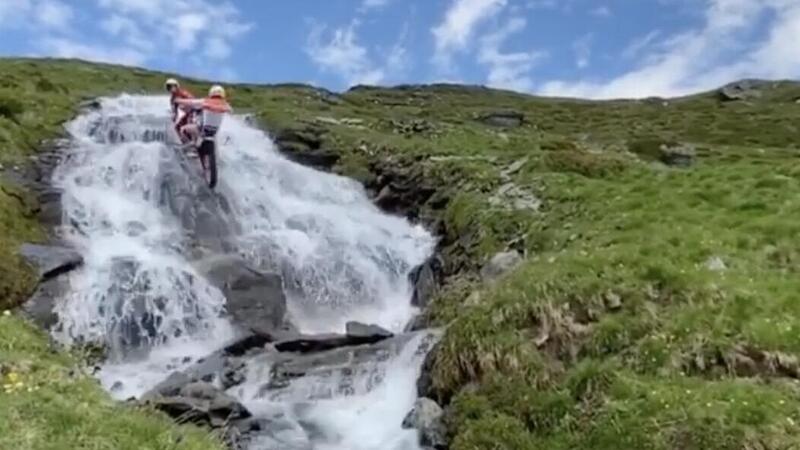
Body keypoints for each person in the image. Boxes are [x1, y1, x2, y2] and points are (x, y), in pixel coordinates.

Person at [164, 78, 195, 143]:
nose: (170, 89)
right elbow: (174, 109)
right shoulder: (172, 98)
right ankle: (185, 142)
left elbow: (192, 101)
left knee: (186, 127)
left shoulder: (183, 93)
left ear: (176, 86)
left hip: (189, 114)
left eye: (171, 86)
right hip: (182, 116)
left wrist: (186, 107)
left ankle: (192, 142)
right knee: (177, 127)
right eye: (168, 87)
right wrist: (174, 116)